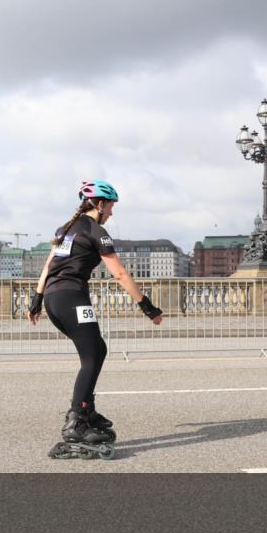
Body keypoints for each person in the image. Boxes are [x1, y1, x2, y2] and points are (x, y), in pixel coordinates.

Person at [27, 180, 163, 450]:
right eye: (111, 206)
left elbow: (48, 265)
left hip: (55, 300)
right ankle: (77, 420)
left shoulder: (65, 229)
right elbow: (120, 274)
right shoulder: (96, 231)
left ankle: (86, 410)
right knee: (91, 356)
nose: (112, 213)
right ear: (100, 204)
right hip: (72, 298)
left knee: (97, 350)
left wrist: (37, 299)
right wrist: (147, 306)